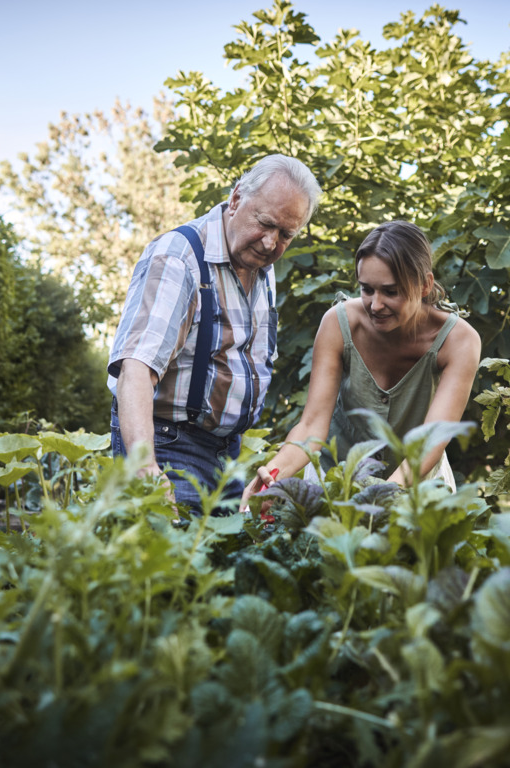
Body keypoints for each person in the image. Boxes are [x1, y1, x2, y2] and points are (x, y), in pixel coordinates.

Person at [108, 154, 321, 512]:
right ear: (236, 198)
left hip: (228, 455)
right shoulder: (179, 258)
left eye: (286, 234)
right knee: (178, 564)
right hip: (167, 447)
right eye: (265, 224)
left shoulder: (260, 267)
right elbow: (136, 368)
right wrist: (145, 466)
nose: (271, 244)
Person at [242, 220, 481, 503]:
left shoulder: (459, 341)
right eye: (367, 289)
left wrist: (381, 498)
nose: (375, 305)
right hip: (335, 486)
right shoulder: (338, 324)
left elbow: (430, 441)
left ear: (425, 285)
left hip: (418, 490)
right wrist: (273, 475)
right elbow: (312, 426)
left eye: (391, 292)